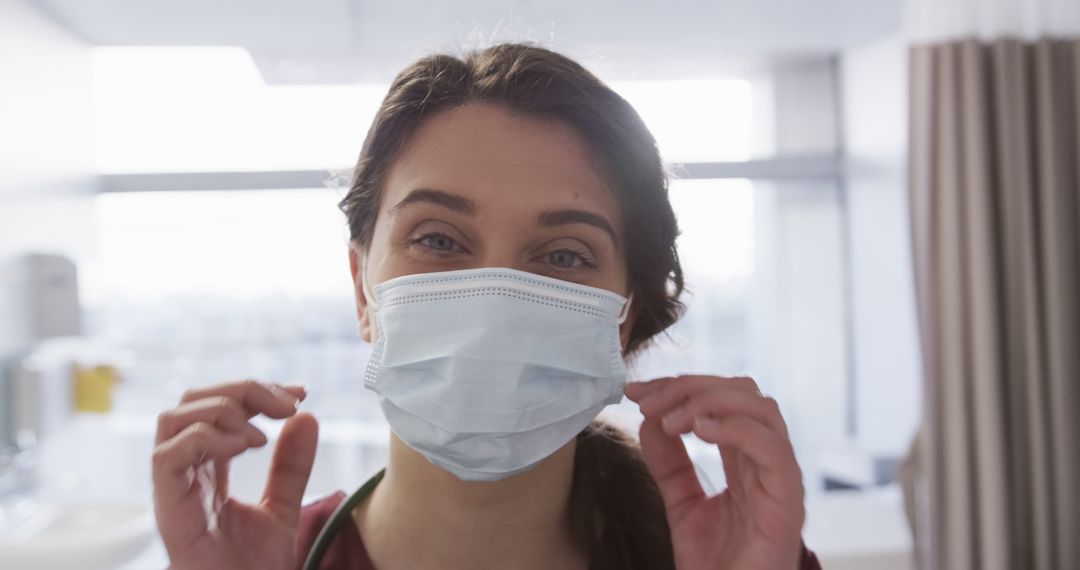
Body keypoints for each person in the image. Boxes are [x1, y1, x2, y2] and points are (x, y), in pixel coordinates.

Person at [151, 43, 820, 570]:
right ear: (363, 289)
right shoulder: (256, 561)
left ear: (624, 316)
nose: (493, 300)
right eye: (438, 239)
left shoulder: (730, 561)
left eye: (563, 255)